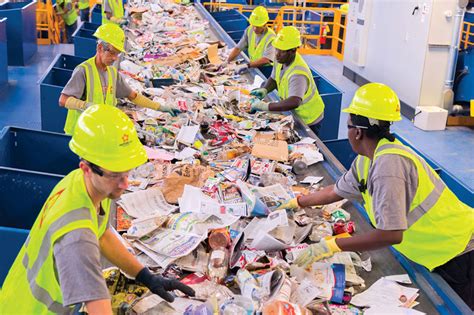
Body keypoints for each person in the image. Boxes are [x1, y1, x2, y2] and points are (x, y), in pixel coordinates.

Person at [279, 83, 474, 309]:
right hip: (440, 247)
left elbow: (391, 235)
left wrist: (333, 245)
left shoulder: (388, 167)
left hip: (458, 250)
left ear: (358, 131)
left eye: (349, 125)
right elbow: (336, 190)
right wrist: (297, 202)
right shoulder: (368, 157)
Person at [0, 105, 195, 314]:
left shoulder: (82, 183)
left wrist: (145, 276)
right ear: (86, 167)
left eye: (126, 172)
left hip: (15, 295)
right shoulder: (77, 238)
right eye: (114, 175)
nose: (125, 184)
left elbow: (102, 235)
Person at [59, 23, 180, 135]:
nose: (115, 58)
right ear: (100, 48)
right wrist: (87, 106)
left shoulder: (112, 73)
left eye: (117, 54)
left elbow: (133, 96)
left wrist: (160, 107)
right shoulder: (83, 70)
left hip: (100, 133)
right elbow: (63, 100)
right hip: (81, 133)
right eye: (112, 53)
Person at [249, 26, 325, 136]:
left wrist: (265, 106)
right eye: (277, 49)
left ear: (293, 50)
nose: (277, 54)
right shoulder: (280, 59)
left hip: (309, 119)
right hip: (295, 114)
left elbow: (294, 102)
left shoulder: (298, 73)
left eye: (282, 51)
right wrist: (264, 89)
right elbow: (274, 78)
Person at [226, 6, 275, 76]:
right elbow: (238, 48)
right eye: (253, 25)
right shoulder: (249, 30)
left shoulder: (271, 37)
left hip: (266, 70)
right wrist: (227, 61)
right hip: (253, 66)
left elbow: (266, 59)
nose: (254, 29)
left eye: (258, 26)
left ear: (265, 24)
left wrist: (247, 65)